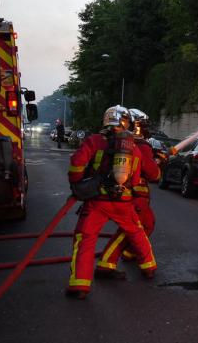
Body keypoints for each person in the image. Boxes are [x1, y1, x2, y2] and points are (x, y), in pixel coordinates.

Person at [65, 106, 156, 299]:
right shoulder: (134, 148)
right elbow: (138, 175)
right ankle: (149, 267)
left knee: (86, 239)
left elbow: (77, 163)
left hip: (97, 200)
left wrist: (77, 182)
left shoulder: (95, 141)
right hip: (123, 201)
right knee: (136, 231)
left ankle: (79, 285)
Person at [95, 108, 160, 279]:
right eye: (144, 125)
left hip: (128, 193)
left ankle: (130, 253)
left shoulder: (125, 142)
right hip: (137, 195)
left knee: (146, 224)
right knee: (132, 229)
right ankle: (107, 263)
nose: (147, 129)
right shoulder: (141, 145)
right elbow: (153, 174)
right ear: (137, 125)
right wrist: (158, 163)